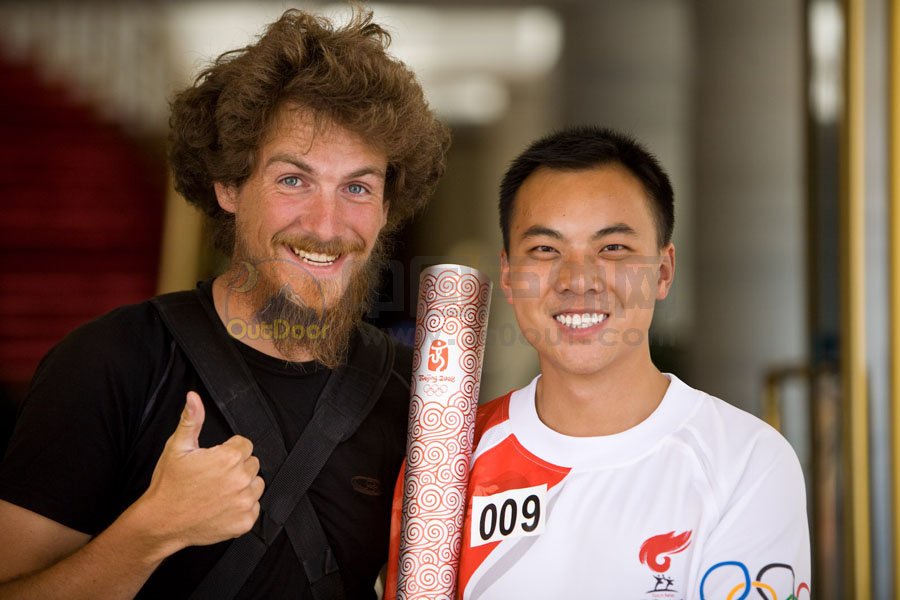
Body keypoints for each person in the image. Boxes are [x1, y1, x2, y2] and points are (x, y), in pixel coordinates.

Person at [0, 8, 449, 599]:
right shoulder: (109, 364)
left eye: (357, 187)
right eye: (293, 180)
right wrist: (152, 531)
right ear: (230, 185)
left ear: (386, 209)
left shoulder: (414, 396)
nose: (326, 224)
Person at [386, 126, 810, 599]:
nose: (578, 279)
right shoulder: (444, 466)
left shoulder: (744, 463)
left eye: (612, 248)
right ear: (508, 275)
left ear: (663, 271)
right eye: (545, 250)